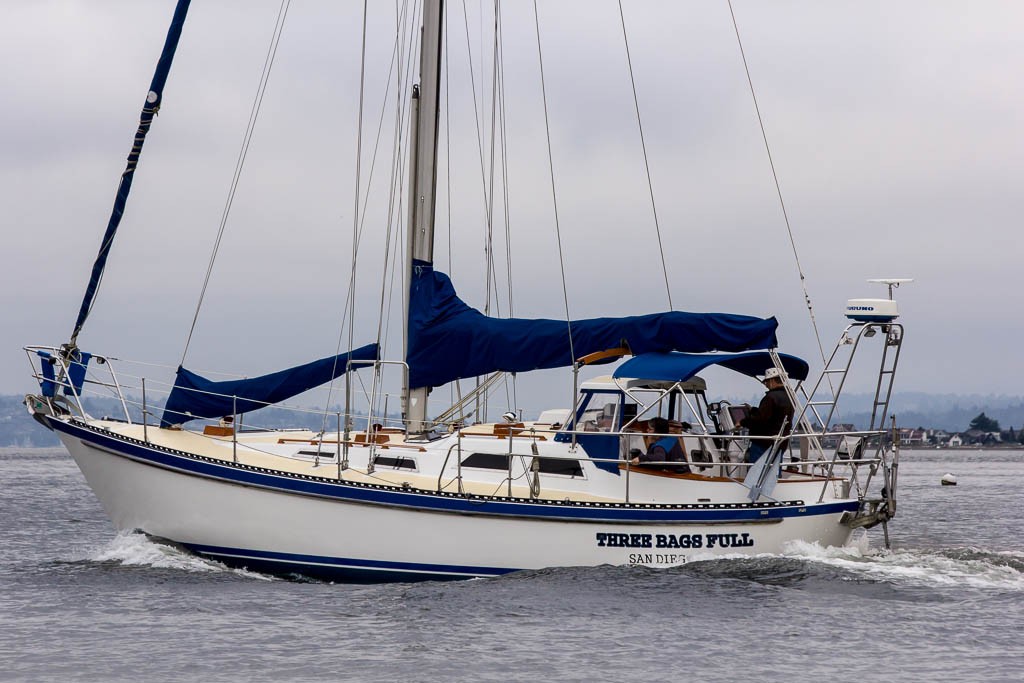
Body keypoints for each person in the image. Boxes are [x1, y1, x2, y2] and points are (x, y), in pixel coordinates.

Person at [740, 367, 795, 463]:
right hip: (780, 443)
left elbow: (760, 420)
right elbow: (775, 415)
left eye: (767, 381)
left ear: (773, 380)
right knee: (774, 472)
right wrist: (753, 410)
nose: (766, 385)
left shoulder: (770, 397)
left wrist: (742, 422)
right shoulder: (789, 396)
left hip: (764, 443)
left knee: (756, 472)